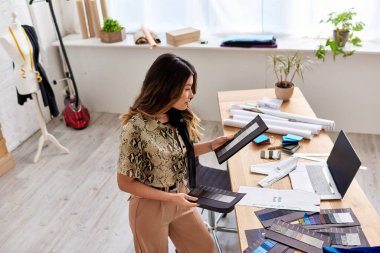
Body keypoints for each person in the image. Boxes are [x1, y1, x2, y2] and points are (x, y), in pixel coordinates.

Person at [117, 53, 233, 253]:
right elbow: (124, 183)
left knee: (205, 247)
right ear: (168, 87)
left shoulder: (174, 116)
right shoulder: (135, 129)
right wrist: (171, 198)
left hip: (180, 196)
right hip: (149, 208)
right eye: (187, 88)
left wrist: (212, 145)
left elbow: (177, 153)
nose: (191, 94)